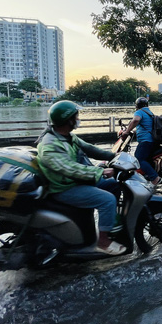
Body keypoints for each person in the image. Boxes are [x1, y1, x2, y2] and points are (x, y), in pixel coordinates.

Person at [36, 100, 125, 255]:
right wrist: (100, 172)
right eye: (76, 116)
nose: (78, 118)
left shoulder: (67, 137)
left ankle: (111, 222)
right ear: (68, 120)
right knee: (107, 200)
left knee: (113, 185)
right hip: (64, 188)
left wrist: (115, 156)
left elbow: (89, 149)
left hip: (75, 181)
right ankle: (103, 242)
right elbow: (69, 168)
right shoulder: (49, 145)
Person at [120, 97, 161, 185]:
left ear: (137, 105)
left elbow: (136, 120)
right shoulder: (149, 113)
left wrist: (127, 131)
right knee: (147, 159)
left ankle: (155, 177)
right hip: (152, 140)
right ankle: (148, 175)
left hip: (146, 141)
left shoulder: (139, 112)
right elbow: (145, 125)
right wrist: (135, 131)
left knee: (139, 158)